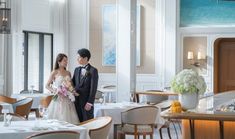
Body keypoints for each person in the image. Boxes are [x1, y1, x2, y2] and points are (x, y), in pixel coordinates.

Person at [45, 53, 79, 125]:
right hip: (58, 99)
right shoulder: (54, 72)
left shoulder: (68, 73)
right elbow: (47, 85)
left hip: (67, 99)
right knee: (56, 121)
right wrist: (56, 91)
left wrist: (72, 91)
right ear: (59, 62)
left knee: (69, 121)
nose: (66, 62)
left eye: (67, 61)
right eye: (64, 60)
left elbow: (71, 86)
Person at [72, 48, 98, 122]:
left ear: (85, 58)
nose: (77, 59)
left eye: (79, 57)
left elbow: (93, 88)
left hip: (86, 102)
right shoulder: (76, 69)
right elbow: (73, 83)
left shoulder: (93, 70)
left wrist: (90, 102)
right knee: (78, 121)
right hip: (76, 101)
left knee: (88, 122)